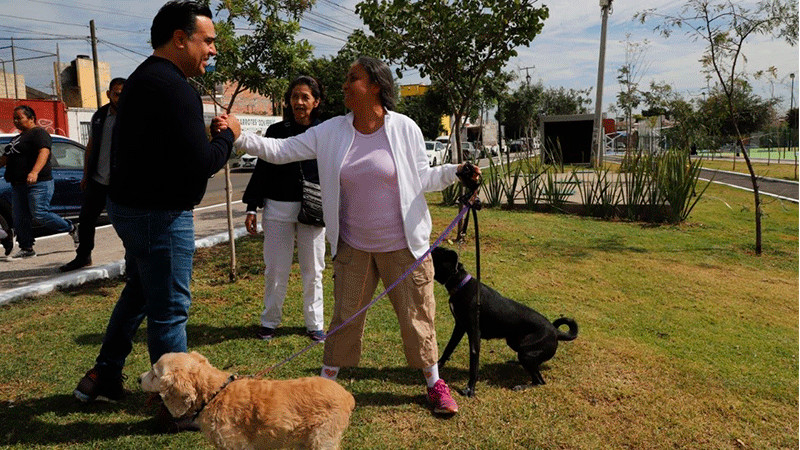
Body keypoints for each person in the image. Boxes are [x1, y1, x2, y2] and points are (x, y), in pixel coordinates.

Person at [215, 56, 481, 416]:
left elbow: (422, 177)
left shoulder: (404, 129)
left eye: (352, 78)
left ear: (375, 85)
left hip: (404, 247)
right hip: (353, 246)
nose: (344, 85)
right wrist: (239, 136)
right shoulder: (331, 131)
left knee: (418, 316)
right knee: (344, 318)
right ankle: (326, 386)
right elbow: (281, 151)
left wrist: (456, 172)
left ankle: (434, 384)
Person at [73, 0, 240, 431]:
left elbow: (166, 153)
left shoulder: (145, 81)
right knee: (169, 310)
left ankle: (105, 373)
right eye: (209, 40)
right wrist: (229, 138)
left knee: (141, 294)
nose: (214, 50)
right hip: (160, 216)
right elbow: (199, 162)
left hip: (133, 209)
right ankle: (176, 407)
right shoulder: (173, 88)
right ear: (180, 39)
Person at [242, 76, 327, 342]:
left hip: (313, 208)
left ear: (316, 101)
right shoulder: (277, 131)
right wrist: (251, 207)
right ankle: (269, 321)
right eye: (294, 97)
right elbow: (263, 169)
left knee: (313, 270)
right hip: (277, 208)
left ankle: (315, 324)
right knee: (275, 269)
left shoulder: (325, 131)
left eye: (305, 97)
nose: (299, 102)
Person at [60, 77, 126, 272]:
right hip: (97, 179)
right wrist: (86, 175)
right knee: (86, 219)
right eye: (116, 94)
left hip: (120, 181)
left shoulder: (132, 115)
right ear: (109, 94)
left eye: (124, 94)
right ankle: (83, 256)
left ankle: (133, 260)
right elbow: (90, 146)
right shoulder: (99, 115)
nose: (120, 98)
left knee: (124, 222)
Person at [0, 105, 79, 259]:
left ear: (31, 118)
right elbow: (4, 159)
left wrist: (34, 172)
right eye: (14, 118)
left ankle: (71, 227)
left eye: (19, 118)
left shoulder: (39, 133)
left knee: (40, 213)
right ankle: (27, 248)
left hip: (38, 183)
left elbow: (44, 152)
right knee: (20, 217)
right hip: (18, 184)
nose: (16, 121)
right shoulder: (17, 138)